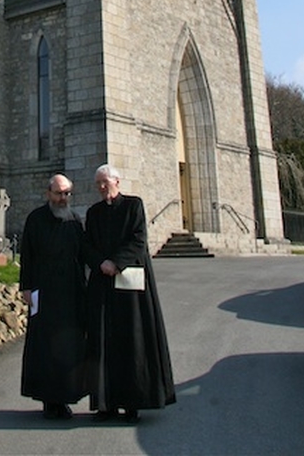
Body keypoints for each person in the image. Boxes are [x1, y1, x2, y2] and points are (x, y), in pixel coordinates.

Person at [85, 164, 176, 423]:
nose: (102, 187)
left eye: (106, 182)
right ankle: (105, 404)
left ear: (117, 181)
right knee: (102, 341)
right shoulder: (94, 212)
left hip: (129, 284)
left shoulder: (133, 206)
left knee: (131, 340)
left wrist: (116, 262)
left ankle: (132, 403)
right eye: (98, 183)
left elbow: (139, 240)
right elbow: (87, 244)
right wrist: (101, 262)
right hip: (103, 282)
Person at [20, 173, 88, 419]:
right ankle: (49, 400)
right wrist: (26, 288)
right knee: (44, 348)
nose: (63, 198)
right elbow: (27, 255)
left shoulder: (74, 219)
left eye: (67, 193)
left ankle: (66, 397)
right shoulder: (36, 219)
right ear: (48, 193)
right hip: (44, 293)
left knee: (69, 347)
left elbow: (83, 256)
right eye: (59, 193)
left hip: (70, 294)